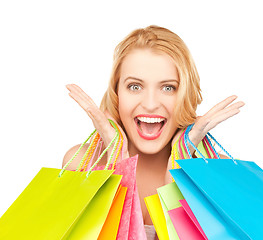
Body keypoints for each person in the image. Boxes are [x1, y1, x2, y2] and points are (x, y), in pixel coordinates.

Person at [62, 25, 244, 239]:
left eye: (168, 88)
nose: (150, 104)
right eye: (135, 87)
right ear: (116, 92)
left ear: (186, 94)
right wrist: (118, 164)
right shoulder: (83, 165)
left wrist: (178, 171)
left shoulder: (217, 172)